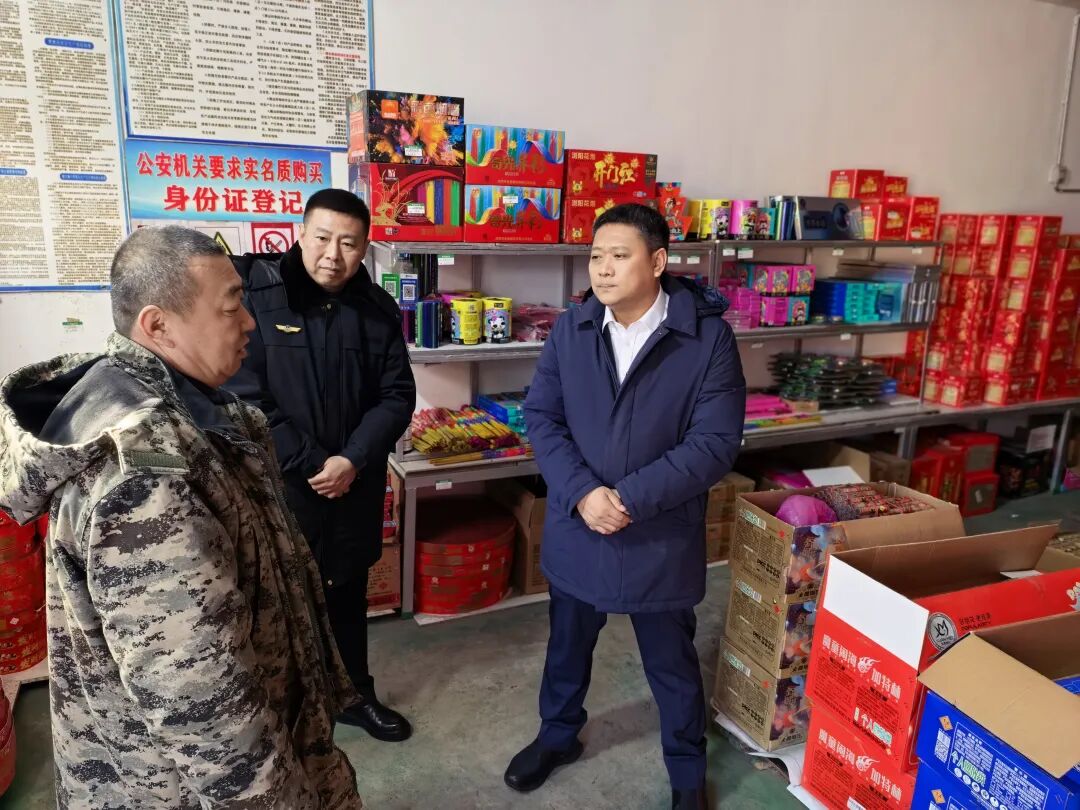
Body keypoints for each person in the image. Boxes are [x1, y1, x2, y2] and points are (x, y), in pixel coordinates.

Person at [0, 227, 362, 809]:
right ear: (158, 325)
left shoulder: (195, 411)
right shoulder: (146, 476)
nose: (249, 323)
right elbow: (196, 695)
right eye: (231, 306)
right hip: (179, 788)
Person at [505, 203, 746, 810]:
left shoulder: (706, 338)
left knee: (671, 661)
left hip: (657, 532)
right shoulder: (573, 329)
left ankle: (687, 771)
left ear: (658, 262)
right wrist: (584, 493)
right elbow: (542, 417)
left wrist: (631, 499)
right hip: (581, 523)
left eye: (619, 255)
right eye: (596, 256)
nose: (604, 269)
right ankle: (557, 735)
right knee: (567, 645)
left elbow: (714, 442)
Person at [225, 188, 416, 741]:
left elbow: (397, 395)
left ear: (365, 248)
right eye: (323, 238)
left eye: (349, 243)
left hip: (353, 485)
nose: (333, 254)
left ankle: (354, 695)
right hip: (284, 485)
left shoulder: (377, 310)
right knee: (277, 598)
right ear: (301, 233)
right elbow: (243, 395)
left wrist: (352, 459)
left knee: (347, 590)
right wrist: (313, 463)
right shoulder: (258, 298)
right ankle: (287, 710)